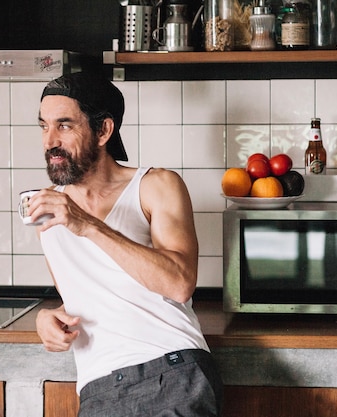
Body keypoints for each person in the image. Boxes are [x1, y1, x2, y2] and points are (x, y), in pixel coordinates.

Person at [29, 72, 223, 417]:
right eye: (44, 126)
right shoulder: (47, 213)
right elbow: (86, 297)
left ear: (103, 130)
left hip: (171, 373)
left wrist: (87, 224)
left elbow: (179, 284)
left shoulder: (155, 185)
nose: (49, 141)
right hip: (98, 389)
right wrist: (47, 318)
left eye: (64, 126)